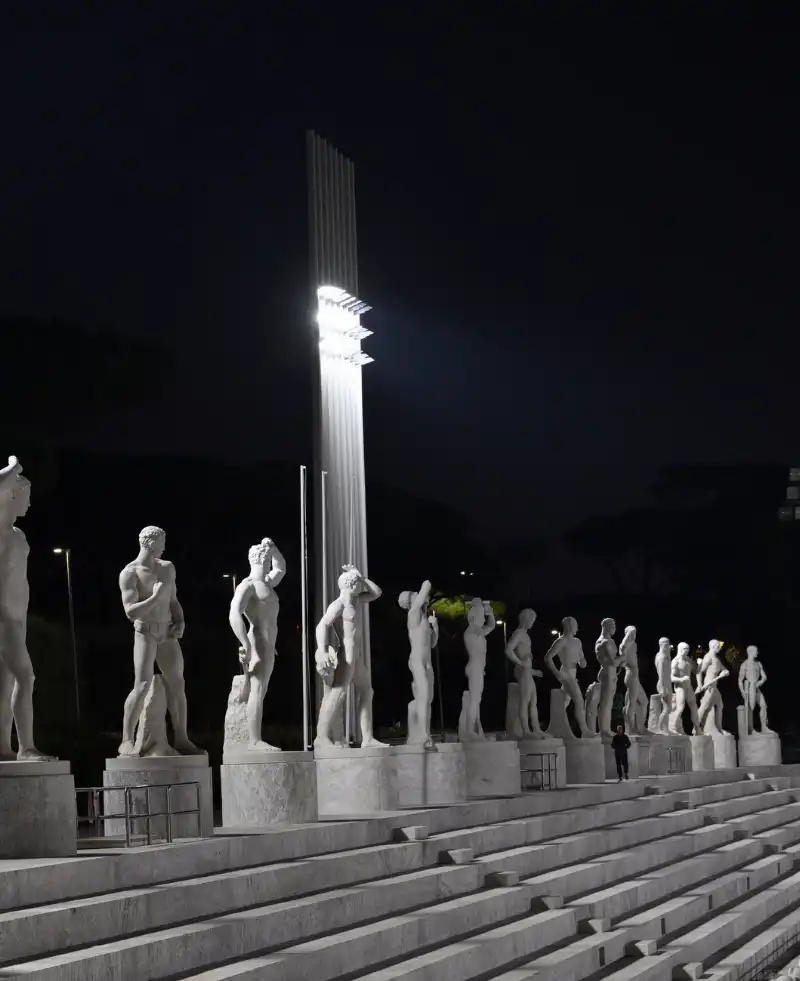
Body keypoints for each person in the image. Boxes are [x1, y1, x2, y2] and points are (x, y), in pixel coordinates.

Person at [118, 526, 202, 756]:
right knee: (142, 684)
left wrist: (181, 620)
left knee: (177, 683)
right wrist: (155, 597)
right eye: (162, 541)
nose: (165, 546)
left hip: (166, 633)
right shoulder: (130, 573)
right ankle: (126, 738)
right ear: (150, 542)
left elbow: (173, 599)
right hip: (145, 632)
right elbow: (131, 612)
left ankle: (182, 737)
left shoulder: (167, 568)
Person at [0, 456, 54, 761]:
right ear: (11, 495)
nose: (29, 506)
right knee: (26, 676)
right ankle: (26, 747)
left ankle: (4, 748)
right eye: (26, 498)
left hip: (17, 619)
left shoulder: (18, 535)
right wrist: (14, 466)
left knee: (6, 683)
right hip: (3, 618)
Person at [315, 564, 385, 748]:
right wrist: (321, 650)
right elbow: (321, 626)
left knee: (367, 691)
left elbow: (377, 592)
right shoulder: (338, 605)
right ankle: (321, 738)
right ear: (349, 585)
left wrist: (362, 577)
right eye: (356, 583)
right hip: (346, 655)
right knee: (338, 693)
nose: (359, 587)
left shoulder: (356, 601)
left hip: (356, 657)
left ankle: (368, 739)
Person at [228, 538, 286, 750]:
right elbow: (234, 613)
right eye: (267, 558)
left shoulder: (268, 583)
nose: (270, 561)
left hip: (270, 644)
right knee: (257, 688)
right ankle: (254, 740)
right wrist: (244, 642)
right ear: (259, 560)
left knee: (260, 691)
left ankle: (254, 738)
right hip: (257, 641)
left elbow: (282, 568)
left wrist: (274, 548)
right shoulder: (248, 585)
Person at [398, 579, 438, 747]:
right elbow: (426, 586)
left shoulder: (423, 618)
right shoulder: (413, 613)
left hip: (427, 661)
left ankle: (421, 726)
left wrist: (435, 628)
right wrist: (426, 585)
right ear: (409, 602)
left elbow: (433, 643)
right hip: (417, 661)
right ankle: (423, 734)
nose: (418, 596)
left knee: (428, 698)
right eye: (414, 595)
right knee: (423, 695)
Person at [504, 608, 545, 738]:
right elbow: (508, 650)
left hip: (527, 671)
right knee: (525, 700)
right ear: (525, 619)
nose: (532, 622)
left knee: (533, 700)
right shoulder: (519, 633)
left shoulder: (525, 635)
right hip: (522, 671)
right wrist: (520, 663)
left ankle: (536, 729)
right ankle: (526, 731)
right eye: (531, 620)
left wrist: (533, 671)